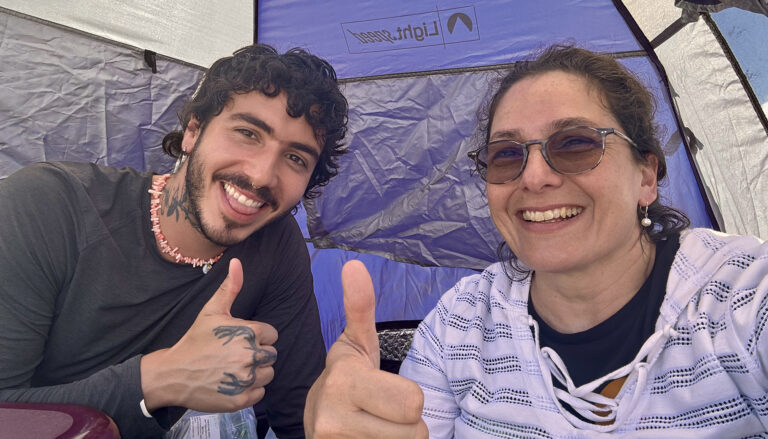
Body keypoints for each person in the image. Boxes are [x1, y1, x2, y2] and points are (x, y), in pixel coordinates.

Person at [304, 44, 768, 438]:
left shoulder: (741, 297)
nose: (535, 177)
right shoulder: (460, 325)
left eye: (574, 143)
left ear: (647, 176)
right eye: (506, 154)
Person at [0, 43, 348, 438]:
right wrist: (161, 378)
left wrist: (344, 417)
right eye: (248, 133)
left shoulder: (276, 245)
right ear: (193, 131)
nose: (263, 175)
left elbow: (300, 414)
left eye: (296, 158)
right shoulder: (48, 207)